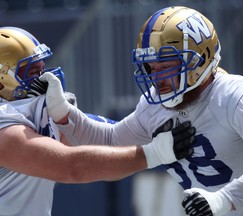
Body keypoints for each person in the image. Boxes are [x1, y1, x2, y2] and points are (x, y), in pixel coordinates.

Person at [41, 6, 243, 216]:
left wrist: (223, 198)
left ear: (199, 60)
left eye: (167, 66)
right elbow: (111, 141)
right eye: (151, 67)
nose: (156, 77)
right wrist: (64, 113)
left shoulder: (235, 95)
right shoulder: (154, 105)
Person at [0, 26, 196, 216]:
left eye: (43, 69)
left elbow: (108, 144)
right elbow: (74, 167)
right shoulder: (5, 122)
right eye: (33, 73)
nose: (46, 78)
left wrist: (65, 117)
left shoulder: (32, 113)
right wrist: (155, 153)